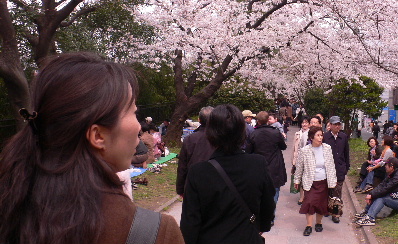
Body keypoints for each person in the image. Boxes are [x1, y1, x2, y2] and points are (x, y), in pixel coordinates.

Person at [0, 53, 183, 244]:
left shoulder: (11, 206)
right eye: (133, 112)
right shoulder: (156, 233)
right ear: (98, 136)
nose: (138, 126)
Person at [180, 105, 275, 244]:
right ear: (242, 131)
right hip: (247, 237)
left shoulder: (198, 172)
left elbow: (190, 222)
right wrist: (261, 226)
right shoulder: (258, 164)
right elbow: (268, 204)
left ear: (210, 133)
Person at [294, 126, 337, 236]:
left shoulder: (327, 148)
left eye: (321, 135)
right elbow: (299, 167)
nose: (320, 137)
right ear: (311, 137)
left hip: (323, 181)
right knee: (309, 203)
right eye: (318, 135)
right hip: (310, 182)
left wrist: (333, 181)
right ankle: (308, 226)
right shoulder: (305, 150)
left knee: (321, 204)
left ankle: (318, 223)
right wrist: (297, 180)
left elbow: (331, 166)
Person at [247, 111, 288, 225]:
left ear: (258, 121)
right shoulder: (275, 133)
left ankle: (261, 214)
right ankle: (270, 216)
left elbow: (248, 151)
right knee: (274, 191)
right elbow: (283, 146)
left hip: (259, 166)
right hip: (274, 165)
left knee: (259, 191)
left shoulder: (254, 134)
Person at [355, 157, 398, 226]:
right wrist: (371, 194)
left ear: (391, 166)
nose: (385, 166)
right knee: (378, 194)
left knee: (382, 198)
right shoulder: (392, 174)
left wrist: (372, 195)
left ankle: (370, 218)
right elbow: (381, 185)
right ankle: (366, 212)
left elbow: (386, 189)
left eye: (387, 165)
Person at [176, 106, 215, 197]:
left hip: (193, 184)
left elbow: (182, 166)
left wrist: (180, 189)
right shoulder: (222, 138)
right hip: (215, 184)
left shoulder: (190, 139)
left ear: (199, 120)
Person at [322, 116, 350, 223]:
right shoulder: (325, 136)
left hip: (340, 168)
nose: (337, 126)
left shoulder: (343, 136)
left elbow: (346, 153)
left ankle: (336, 213)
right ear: (330, 125)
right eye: (335, 124)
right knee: (328, 190)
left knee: (337, 192)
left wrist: (346, 167)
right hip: (327, 169)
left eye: (339, 124)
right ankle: (326, 209)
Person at [292, 116, 311, 205]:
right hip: (299, 158)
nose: (304, 124)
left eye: (306, 122)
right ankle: (301, 197)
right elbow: (295, 148)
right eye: (303, 123)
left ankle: (307, 197)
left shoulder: (311, 133)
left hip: (308, 159)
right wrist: (294, 161)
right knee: (299, 178)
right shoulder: (297, 134)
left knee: (306, 178)